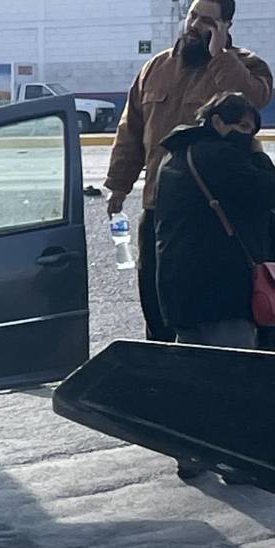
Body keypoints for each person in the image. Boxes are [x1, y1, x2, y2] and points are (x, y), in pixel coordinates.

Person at [106, 0, 272, 343]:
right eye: (192, 16)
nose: (194, 25)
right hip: (157, 211)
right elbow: (131, 131)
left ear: (225, 25)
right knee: (157, 308)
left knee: (209, 319)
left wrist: (220, 56)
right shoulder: (156, 67)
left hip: (213, 220)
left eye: (207, 21)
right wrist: (118, 185)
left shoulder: (245, 66)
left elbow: (251, 101)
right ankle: (161, 380)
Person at [153, 92, 275, 480]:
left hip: (177, 287)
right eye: (242, 127)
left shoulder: (174, 158)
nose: (245, 135)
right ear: (219, 122)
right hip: (222, 287)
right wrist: (257, 151)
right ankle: (235, 461)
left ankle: (189, 454)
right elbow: (268, 190)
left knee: (192, 374)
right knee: (233, 377)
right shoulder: (222, 157)